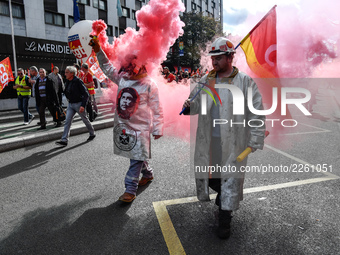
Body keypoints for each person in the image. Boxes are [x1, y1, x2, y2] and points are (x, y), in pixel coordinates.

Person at [182, 37, 266, 239]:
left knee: (229, 180)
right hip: (209, 143)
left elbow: (256, 111)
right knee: (212, 178)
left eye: (218, 58)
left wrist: (254, 139)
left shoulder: (244, 81)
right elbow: (196, 103)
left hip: (234, 144)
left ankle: (224, 220)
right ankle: (223, 202)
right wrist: (188, 107)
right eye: (213, 58)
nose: (214, 62)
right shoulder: (207, 80)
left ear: (230, 57)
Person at [89, 35, 163, 203]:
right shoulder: (122, 79)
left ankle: (130, 189)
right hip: (124, 125)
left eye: (131, 63)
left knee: (135, 158)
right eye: (126, 63)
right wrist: (98, 50)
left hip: (141, 128)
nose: (128, 67)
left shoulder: (149, 84)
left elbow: (157, 108)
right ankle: (148, 173)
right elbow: (107, 68)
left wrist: (158, 128)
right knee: (135, 155)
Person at [55, 66, 95, 146]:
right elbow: (66, 92)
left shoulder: (78, 81)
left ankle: (92, 133)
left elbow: (86, 94)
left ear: (72, 73)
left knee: (85, 119)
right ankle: (64, 140)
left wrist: (83, 105)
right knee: (67, 121)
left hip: (79, 104)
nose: (65, 74)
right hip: (71, 104)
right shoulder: (67, 81)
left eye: (67, 72)